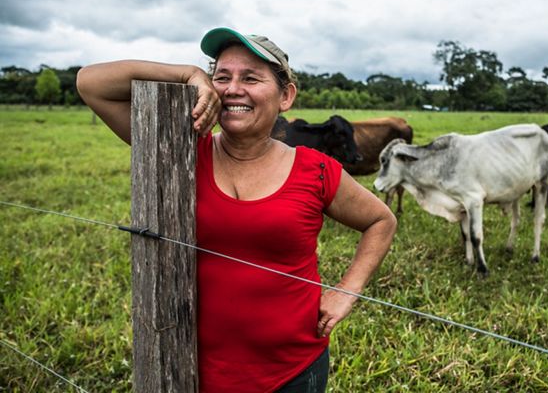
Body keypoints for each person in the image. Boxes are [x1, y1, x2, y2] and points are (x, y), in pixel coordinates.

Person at [76, 27, 397, 393]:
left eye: (251, 78)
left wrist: (347, 290)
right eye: (222, 77)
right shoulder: (180, 152)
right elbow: (91, 83)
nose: (232, 89)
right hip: (191, 368)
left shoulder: (316, 169)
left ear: (286, 96)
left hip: (294, 371)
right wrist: (188, 74)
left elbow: (380, 220)